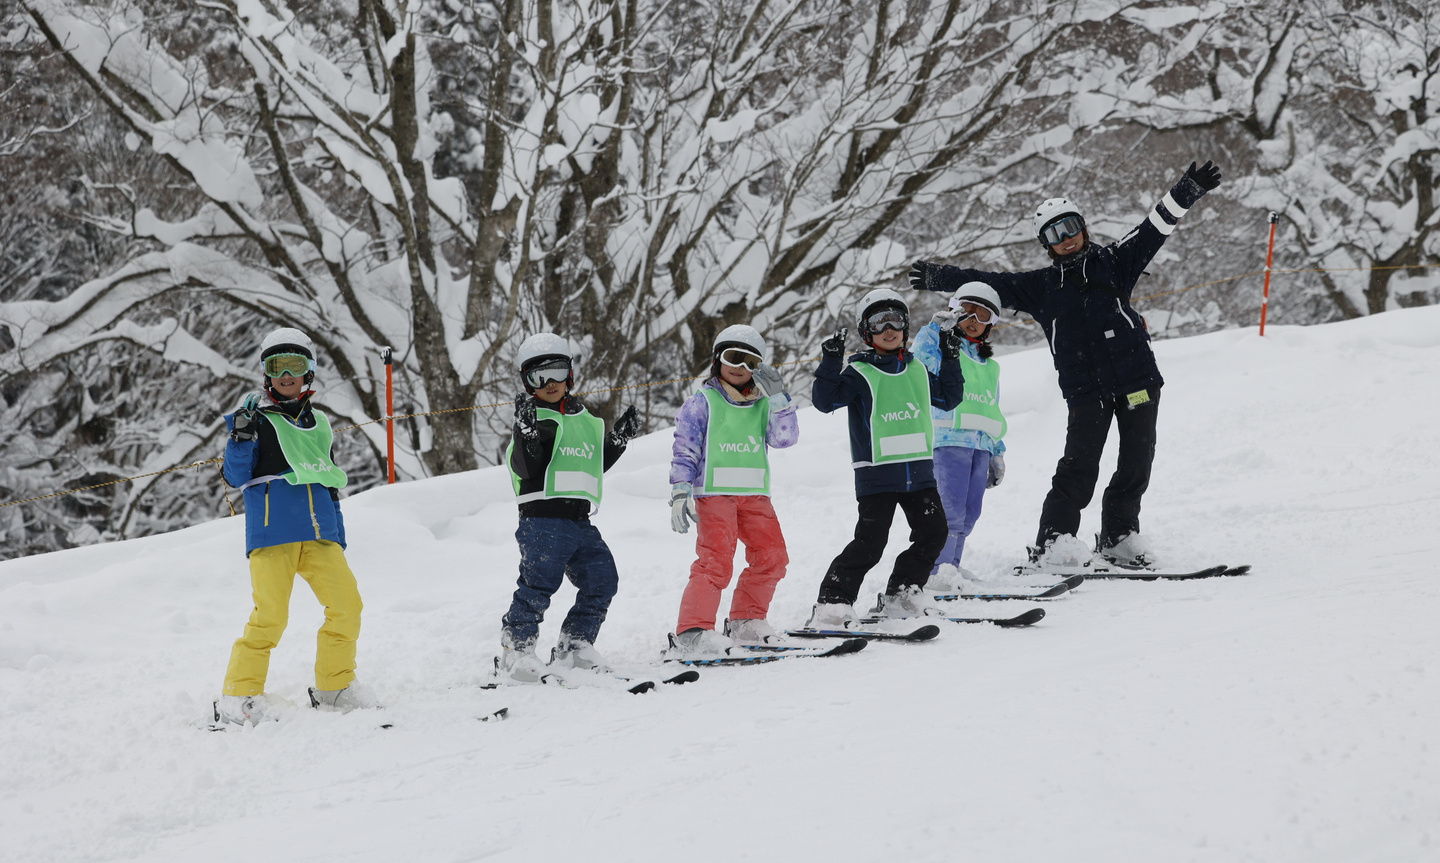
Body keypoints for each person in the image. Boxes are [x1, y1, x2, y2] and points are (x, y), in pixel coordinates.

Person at [908, 160, 1222, 570]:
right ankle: (1054, 542)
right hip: (1086, 390)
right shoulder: (1040, 288)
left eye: (1070, 227)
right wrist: (940, 277)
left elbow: (1154, 227)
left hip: (1137, 379)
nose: (1066, 239)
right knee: (1079, 466)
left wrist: (1187, 190)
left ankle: (1120, 536)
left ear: (1083, 228)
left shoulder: (1115, 261)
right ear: (1046, 244)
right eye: (1054, 234)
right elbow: (990, 282)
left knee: (1136, 461)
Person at [216, 327, 371, 725]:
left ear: (309, 371)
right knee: (270, 617)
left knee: (347, 606)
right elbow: (235, 476)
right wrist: (239, 439)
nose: (286, 374)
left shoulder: (320, 423)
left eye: (294, 365)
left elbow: (329, 482)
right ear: (266, 373)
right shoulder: (254, 417)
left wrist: (337, 535)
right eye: (277, 366)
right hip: (274, 533)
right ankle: (239, 696)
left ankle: (334, 687)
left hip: (320, 533)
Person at [806, 289, 966, 628]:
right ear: (867, 332)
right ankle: (833, 603)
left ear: (906, 327)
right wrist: (831, 362)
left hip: (919, 473)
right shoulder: (859, 373)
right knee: (870, 543)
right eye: (879, 322)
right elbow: (825, 401)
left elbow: (950, 398)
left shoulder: (918, 370)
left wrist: (951, 357)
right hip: (877, 475)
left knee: (934, 532)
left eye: (895, 320)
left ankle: (903, 593)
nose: (889, 329)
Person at [498, 332, 641, 682]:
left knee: (602, 579)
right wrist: (527, 435)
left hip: (579, 520)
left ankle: (574, 646)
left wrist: (617, 442)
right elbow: (527, 468)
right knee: (538, 585)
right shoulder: (533, 419)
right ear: (527, 381)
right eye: (539, 376)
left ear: (570, 375)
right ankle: (516, 652)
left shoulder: (586, 420)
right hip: (543, 519)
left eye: (557, 373)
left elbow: (591, 465)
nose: (550, 383)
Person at [663, 325, 799, 658]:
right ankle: (692, 632)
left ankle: (747, 620)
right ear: (717, 360)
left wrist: (779, 399)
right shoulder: (702, 403)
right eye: (732, 357)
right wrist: (681, 490)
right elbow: (685, 449)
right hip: (714, 495)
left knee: (772, 557)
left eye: (749, 361)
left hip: (755, 494)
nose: (739, 366)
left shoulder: (764, 404)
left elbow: (785, 439)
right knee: (716, 562)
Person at [910, 282, 1008, 590]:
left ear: (990, 324)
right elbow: (918, 362)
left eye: (983, 315)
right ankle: (936, 570)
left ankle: (950, 567)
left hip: (980, 446)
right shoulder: (942, 350)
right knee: (948, 511)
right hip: (948, 441)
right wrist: (934, 330)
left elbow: (992, 408)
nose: (973, 320)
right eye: (967, 311)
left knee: (969, 514)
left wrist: (996, 451)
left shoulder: (989, 366)